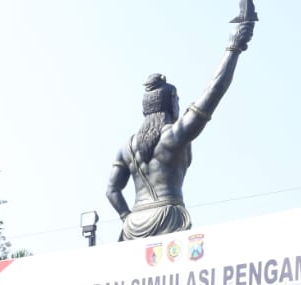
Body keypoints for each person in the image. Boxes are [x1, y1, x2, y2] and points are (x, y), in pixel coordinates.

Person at [106, 18, 256, 240]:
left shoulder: (127, 147)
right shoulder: (173, 135)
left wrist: (126, 217)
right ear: (171, 102)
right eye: (177, 99)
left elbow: (112, 190)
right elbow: (214, 91)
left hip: (133, 226)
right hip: (168, 216)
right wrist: (234, 48)